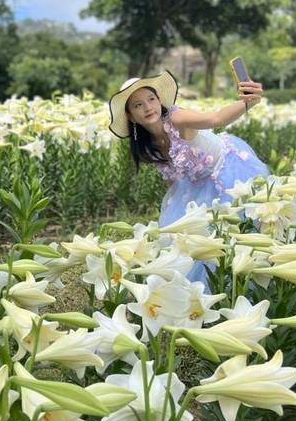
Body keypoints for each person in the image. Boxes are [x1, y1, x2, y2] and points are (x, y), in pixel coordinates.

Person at [107, 69, 270, 288]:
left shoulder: (176, 118)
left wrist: (249, 102)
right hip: (195, 184)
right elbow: (171, 179)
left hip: (227, 169)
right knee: (192, 241)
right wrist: (176, 207)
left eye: (151, 99)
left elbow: (216, 118)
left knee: (239, 229)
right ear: (130, 115)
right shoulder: (147, 148)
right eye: (137, 105)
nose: (147, 107)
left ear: (159, 100)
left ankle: (252, 277)